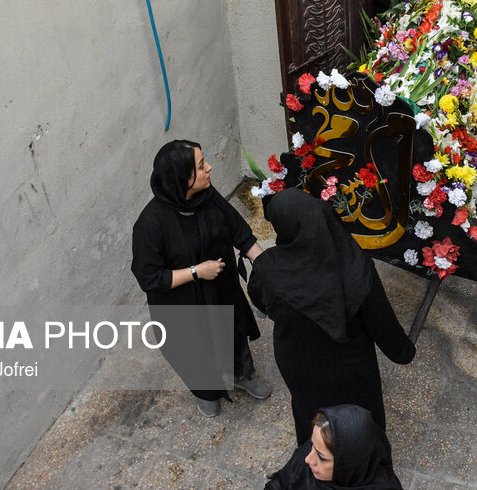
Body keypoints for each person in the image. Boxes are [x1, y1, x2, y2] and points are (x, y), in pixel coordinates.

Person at [248, 188, 415, 444]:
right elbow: (380, 318)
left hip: (300, 365)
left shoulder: (267, 269)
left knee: (310, 413)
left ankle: (316, 456)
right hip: (352, 366)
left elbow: (261, 301)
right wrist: (402, 353)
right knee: (360, 417)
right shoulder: (354, 263)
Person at [131, 140, 270, 418]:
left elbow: (238, 230)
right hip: (181, 304)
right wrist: (196, 271)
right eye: (201, 165)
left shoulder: (207, 196)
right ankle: (206, 391)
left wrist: (266, 263)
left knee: (232, 331)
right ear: (183, 178)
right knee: (192, 349)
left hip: (220, 289)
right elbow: (150, 278)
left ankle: (241, 375)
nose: (209, 168)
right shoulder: (149, 224)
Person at [264, 405, 403, 489]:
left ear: (349, 465)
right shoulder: (307, 456)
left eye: (321, 457)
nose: (307, 459)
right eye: (312, 444)